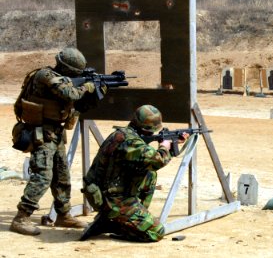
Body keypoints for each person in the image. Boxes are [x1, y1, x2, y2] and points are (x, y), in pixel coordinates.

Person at [10, 46, 98, 236]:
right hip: (41, 132)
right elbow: (70, 94)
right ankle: (21, 218)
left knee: (61, 175)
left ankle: (63, 215)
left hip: (54, 132)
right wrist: (87, 87)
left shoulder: (60, 78)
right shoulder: (45, 75)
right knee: (43, 175)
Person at [80, 104, 187, 242]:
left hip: (106, 192)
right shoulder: (130, 141)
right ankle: (115, 224)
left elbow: (149, 162)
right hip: (111, 199)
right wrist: (164, 146)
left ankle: (125, 218)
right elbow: (157, 160)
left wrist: (172, 146)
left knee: (149, 174)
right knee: (156, 232)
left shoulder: (123, 134)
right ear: (145, 128)